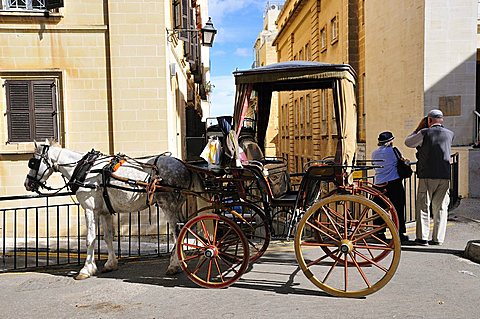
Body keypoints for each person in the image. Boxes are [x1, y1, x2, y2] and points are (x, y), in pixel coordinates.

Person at [405, 109, 454, 246]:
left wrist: (418, 129)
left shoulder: (424, 132)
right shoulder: (450, 134)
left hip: (427, 174)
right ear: (442, 120)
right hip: (444, 175)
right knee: (441, 207)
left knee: (423, 206)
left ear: (429, 120)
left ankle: (423, 237)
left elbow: (408, 142)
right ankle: (438, 238)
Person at [371, 131, 409, 242]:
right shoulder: (394, 151)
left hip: (379, 183)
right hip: (394, 182)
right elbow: (401, 161)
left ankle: (379, 233)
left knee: (379, 209)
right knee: (398, 208)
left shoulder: (374, 153)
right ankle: (399, 232)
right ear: (390, 141)